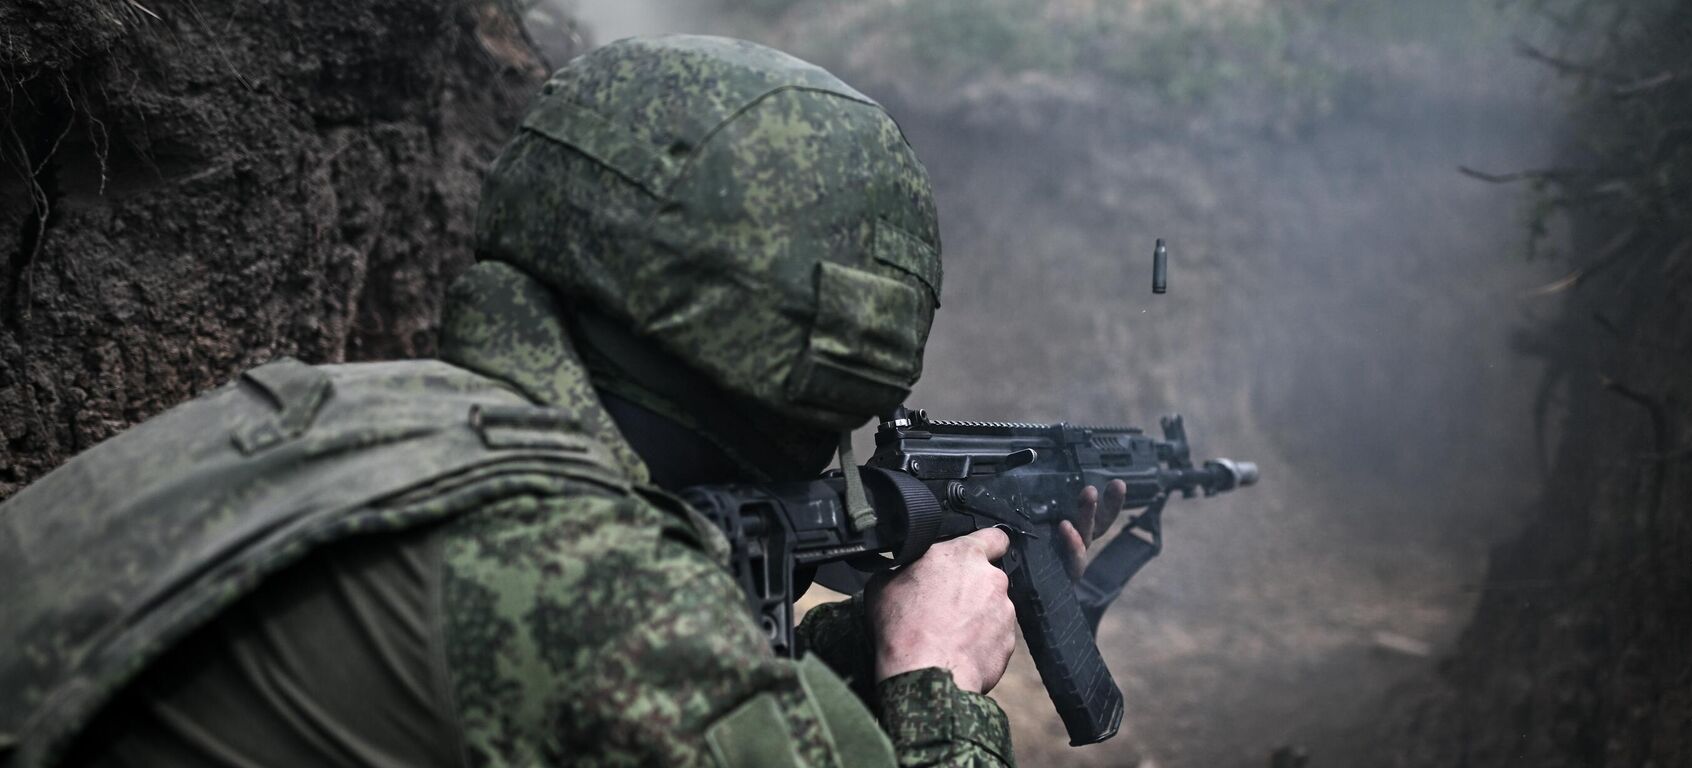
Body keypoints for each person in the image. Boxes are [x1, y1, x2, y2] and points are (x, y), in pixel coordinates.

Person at [0, 35, 1119, 768]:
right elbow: (620, 656)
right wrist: (933, 682)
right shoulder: (607, 600)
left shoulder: (326, 418)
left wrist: (843, 644)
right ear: (832, 343)